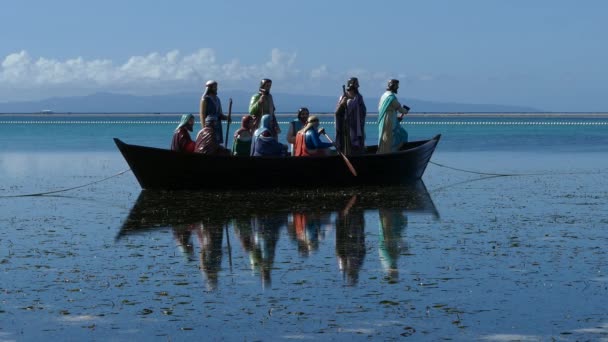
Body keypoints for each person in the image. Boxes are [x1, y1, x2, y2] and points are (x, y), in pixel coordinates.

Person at [335, 77, 367, 155]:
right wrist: (343, 104)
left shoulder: (359, 97)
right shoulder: (344, 98)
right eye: (355, 85)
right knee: (349, 143)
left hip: (358, 125)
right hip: (348, 127)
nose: (357, 88)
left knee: (358, 142)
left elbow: (363, 110)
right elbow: (338, 113)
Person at [378, 79, 411, 154]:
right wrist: (406, 111)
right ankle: (392, 151)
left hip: (386, 119)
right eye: (397, 86)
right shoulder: (390, 97)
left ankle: (385, 151)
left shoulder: (383, 95)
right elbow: (399, 108)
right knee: (401, 134)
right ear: (393, 86)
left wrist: (395, 119)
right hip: (388, 121)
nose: (398, 87)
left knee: (386, 136)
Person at [199, 80, 229, 146]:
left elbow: (220, 114)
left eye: (216, 87)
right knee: (210, 143)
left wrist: (227, 118)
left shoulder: (217, 99)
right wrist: (204, 128)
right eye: (214, 87)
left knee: (217, 144)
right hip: (209, 125)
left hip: (217, 125)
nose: (216, 89)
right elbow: (202, 115)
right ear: (209, 88)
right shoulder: (205, 99)